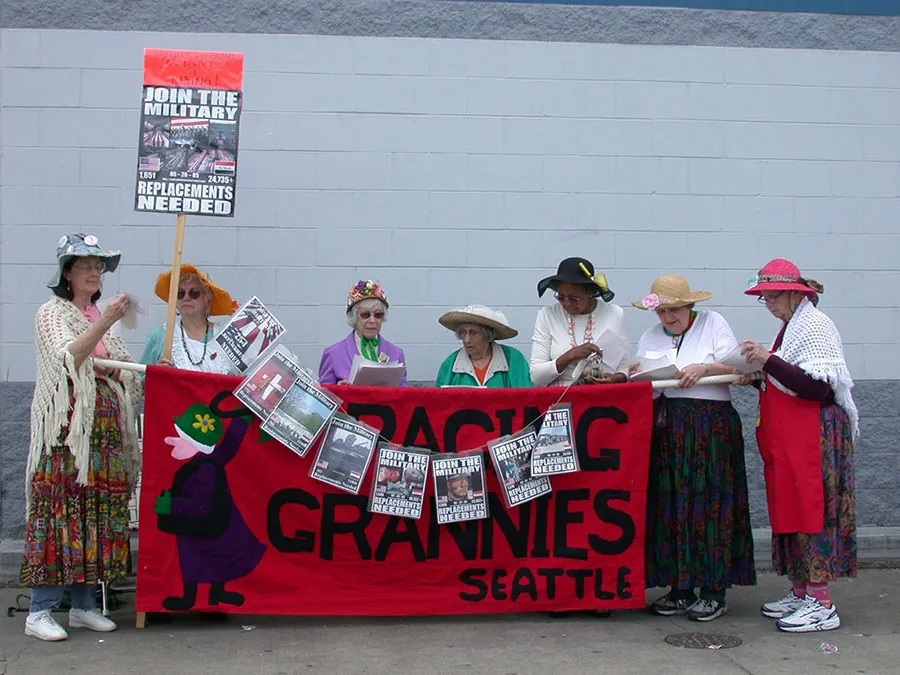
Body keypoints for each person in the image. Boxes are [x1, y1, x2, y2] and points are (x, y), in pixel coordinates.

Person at [20, 233, 142, 641]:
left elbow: (118, 366)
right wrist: (106, 321)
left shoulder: (95, 315)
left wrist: (142, 369)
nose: (94, 272)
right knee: (60, 513)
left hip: (103, 438)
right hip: (68, 435)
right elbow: (68, 358)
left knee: (95, 514)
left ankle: (85, 604)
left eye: (99, 266)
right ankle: (40, 609)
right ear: (67, 273)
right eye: (86, 266)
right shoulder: (52, 313)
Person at [741, 259, 857, 633]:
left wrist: (768, 360)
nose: (769, 303)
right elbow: (787, 376)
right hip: (792, 435)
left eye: (772, 296)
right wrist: (759, 372)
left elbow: (817, 387)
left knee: (812, 510)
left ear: (795, 292)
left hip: (815, 437)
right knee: (790, 507)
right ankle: (801, 589)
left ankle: (821, 603)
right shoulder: (791, 328)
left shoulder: (815, 327)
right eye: (764, 297)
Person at [633, 274, 755, 622]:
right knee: (672, 502)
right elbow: (646, 376)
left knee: (710, 501)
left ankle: (714, 589)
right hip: (669, 422)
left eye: (675, 310)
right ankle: (680, 587)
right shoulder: (651, 335)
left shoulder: (714, 324)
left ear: (690, 306)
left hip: (710, 423)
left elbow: (736, 365)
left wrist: (704, 367)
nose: (668, 318)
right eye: (663, 312)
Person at [530, 257, 629, 387]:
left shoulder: (615, 314)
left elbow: (624, 362)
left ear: (590, 293)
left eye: (574, 298)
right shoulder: (547, 315)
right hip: (560, 399)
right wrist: (568, 357)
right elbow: (536, 377)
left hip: (603, 396)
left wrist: (618, 377)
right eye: (560, 297)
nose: (566, 303)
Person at [141, 264, 237, 373]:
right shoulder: (160, 336)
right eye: (180, 293)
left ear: (207, 300)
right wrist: (155, 373)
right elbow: (139, 380)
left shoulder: (225, 338)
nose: (186, 297)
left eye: (194, 293)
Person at [318, 280, 407, 386]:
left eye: (378, 315)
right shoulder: (333, 354)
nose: (372, 320)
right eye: (365, 315)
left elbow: (403, 394)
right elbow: (323, 396)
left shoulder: (396, 353)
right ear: (354, 318)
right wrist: (339, 391)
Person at [435, 305, 533, 388]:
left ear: (488, 335)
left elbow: (527, 398)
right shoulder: (450, 364)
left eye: (474, 333)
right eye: (463, 333)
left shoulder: (513, 359)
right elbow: (438, 404)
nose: (466, 340)